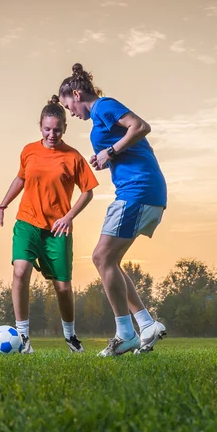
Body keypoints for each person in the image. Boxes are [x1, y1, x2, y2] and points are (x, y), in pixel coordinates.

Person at [58, 63, 167, 357]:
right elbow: (133, 143)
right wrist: (107, 155)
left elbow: (141, 126)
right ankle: (144, 325)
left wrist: (111, 152)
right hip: (140, 189)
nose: (72, 114)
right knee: (110, 262)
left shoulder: (104, 106)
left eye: (70, 107)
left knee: (101, 257)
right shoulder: (100, 118)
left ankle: (126, 333)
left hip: (138, 190)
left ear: (77, 94)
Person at [0, 96, 99, 354]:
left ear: (64, 128)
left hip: (57, 230)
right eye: (47, 129)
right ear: (40, 125)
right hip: (28, 221)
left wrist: (69, 216)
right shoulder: (29, 151)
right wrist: (2, 206)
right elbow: (20, 179)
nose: (52, 134)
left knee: (62, 287)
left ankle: (71, 337)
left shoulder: (73, 157)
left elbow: (88, 192)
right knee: (20, 272)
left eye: (57, 129)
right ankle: (23, 336)